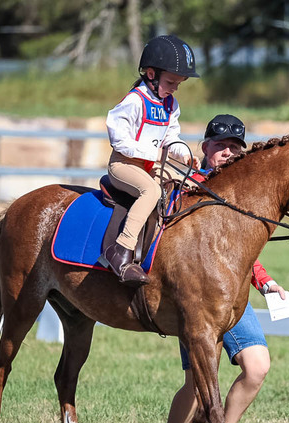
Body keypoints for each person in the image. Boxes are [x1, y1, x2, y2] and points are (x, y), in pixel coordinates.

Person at [165, 114, 286, 423]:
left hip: (234, 295)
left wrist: (263, 281)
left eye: (235, 148)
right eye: (220, 146)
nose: (228, 153)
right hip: (197, 296)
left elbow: (241, 254)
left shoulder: (241, 194)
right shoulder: (187, 187)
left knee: (257, 367)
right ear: (205, 148)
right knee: (195, 384)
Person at [102, 35, 199, 286]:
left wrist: (186, 156)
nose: (175, 88)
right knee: (151, 191)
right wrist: (152, 154)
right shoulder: (134, 101)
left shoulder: (171, 104)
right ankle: (121, 249)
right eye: (171, 82)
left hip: (151, 166)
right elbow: (119, 140)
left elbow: (171, 138)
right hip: (123, 165)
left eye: (179, 83)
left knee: (189, 186)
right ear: (151, 74)